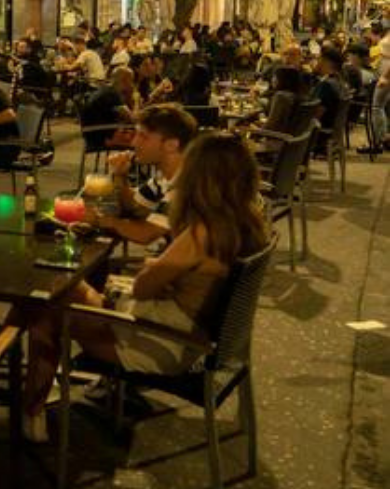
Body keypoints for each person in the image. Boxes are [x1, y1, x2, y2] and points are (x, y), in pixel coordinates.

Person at [16, 132, 267, 442]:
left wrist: (154, 269)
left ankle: (29, 410)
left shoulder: (201, 233)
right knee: (61, 289)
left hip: (163, 343)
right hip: (187, 332)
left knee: (44, 306)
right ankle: (28, 392)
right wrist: (166, 275)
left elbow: (144, 288)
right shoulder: (247, 223)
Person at [88, 104, 196, 247]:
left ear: (171, 145)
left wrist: (98, 219)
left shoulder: (186, 183)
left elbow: (145, 234)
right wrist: (121, 176)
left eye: (143, 136)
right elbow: (135, 206)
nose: (133, 142)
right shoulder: (164, 177)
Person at [310, 47, 348, 135]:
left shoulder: (326, 85)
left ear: (326, 61)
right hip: (333, 132)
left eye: (318, 58)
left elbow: (315, 115)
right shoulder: (341, 81)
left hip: (319, 133)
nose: (316, 62)